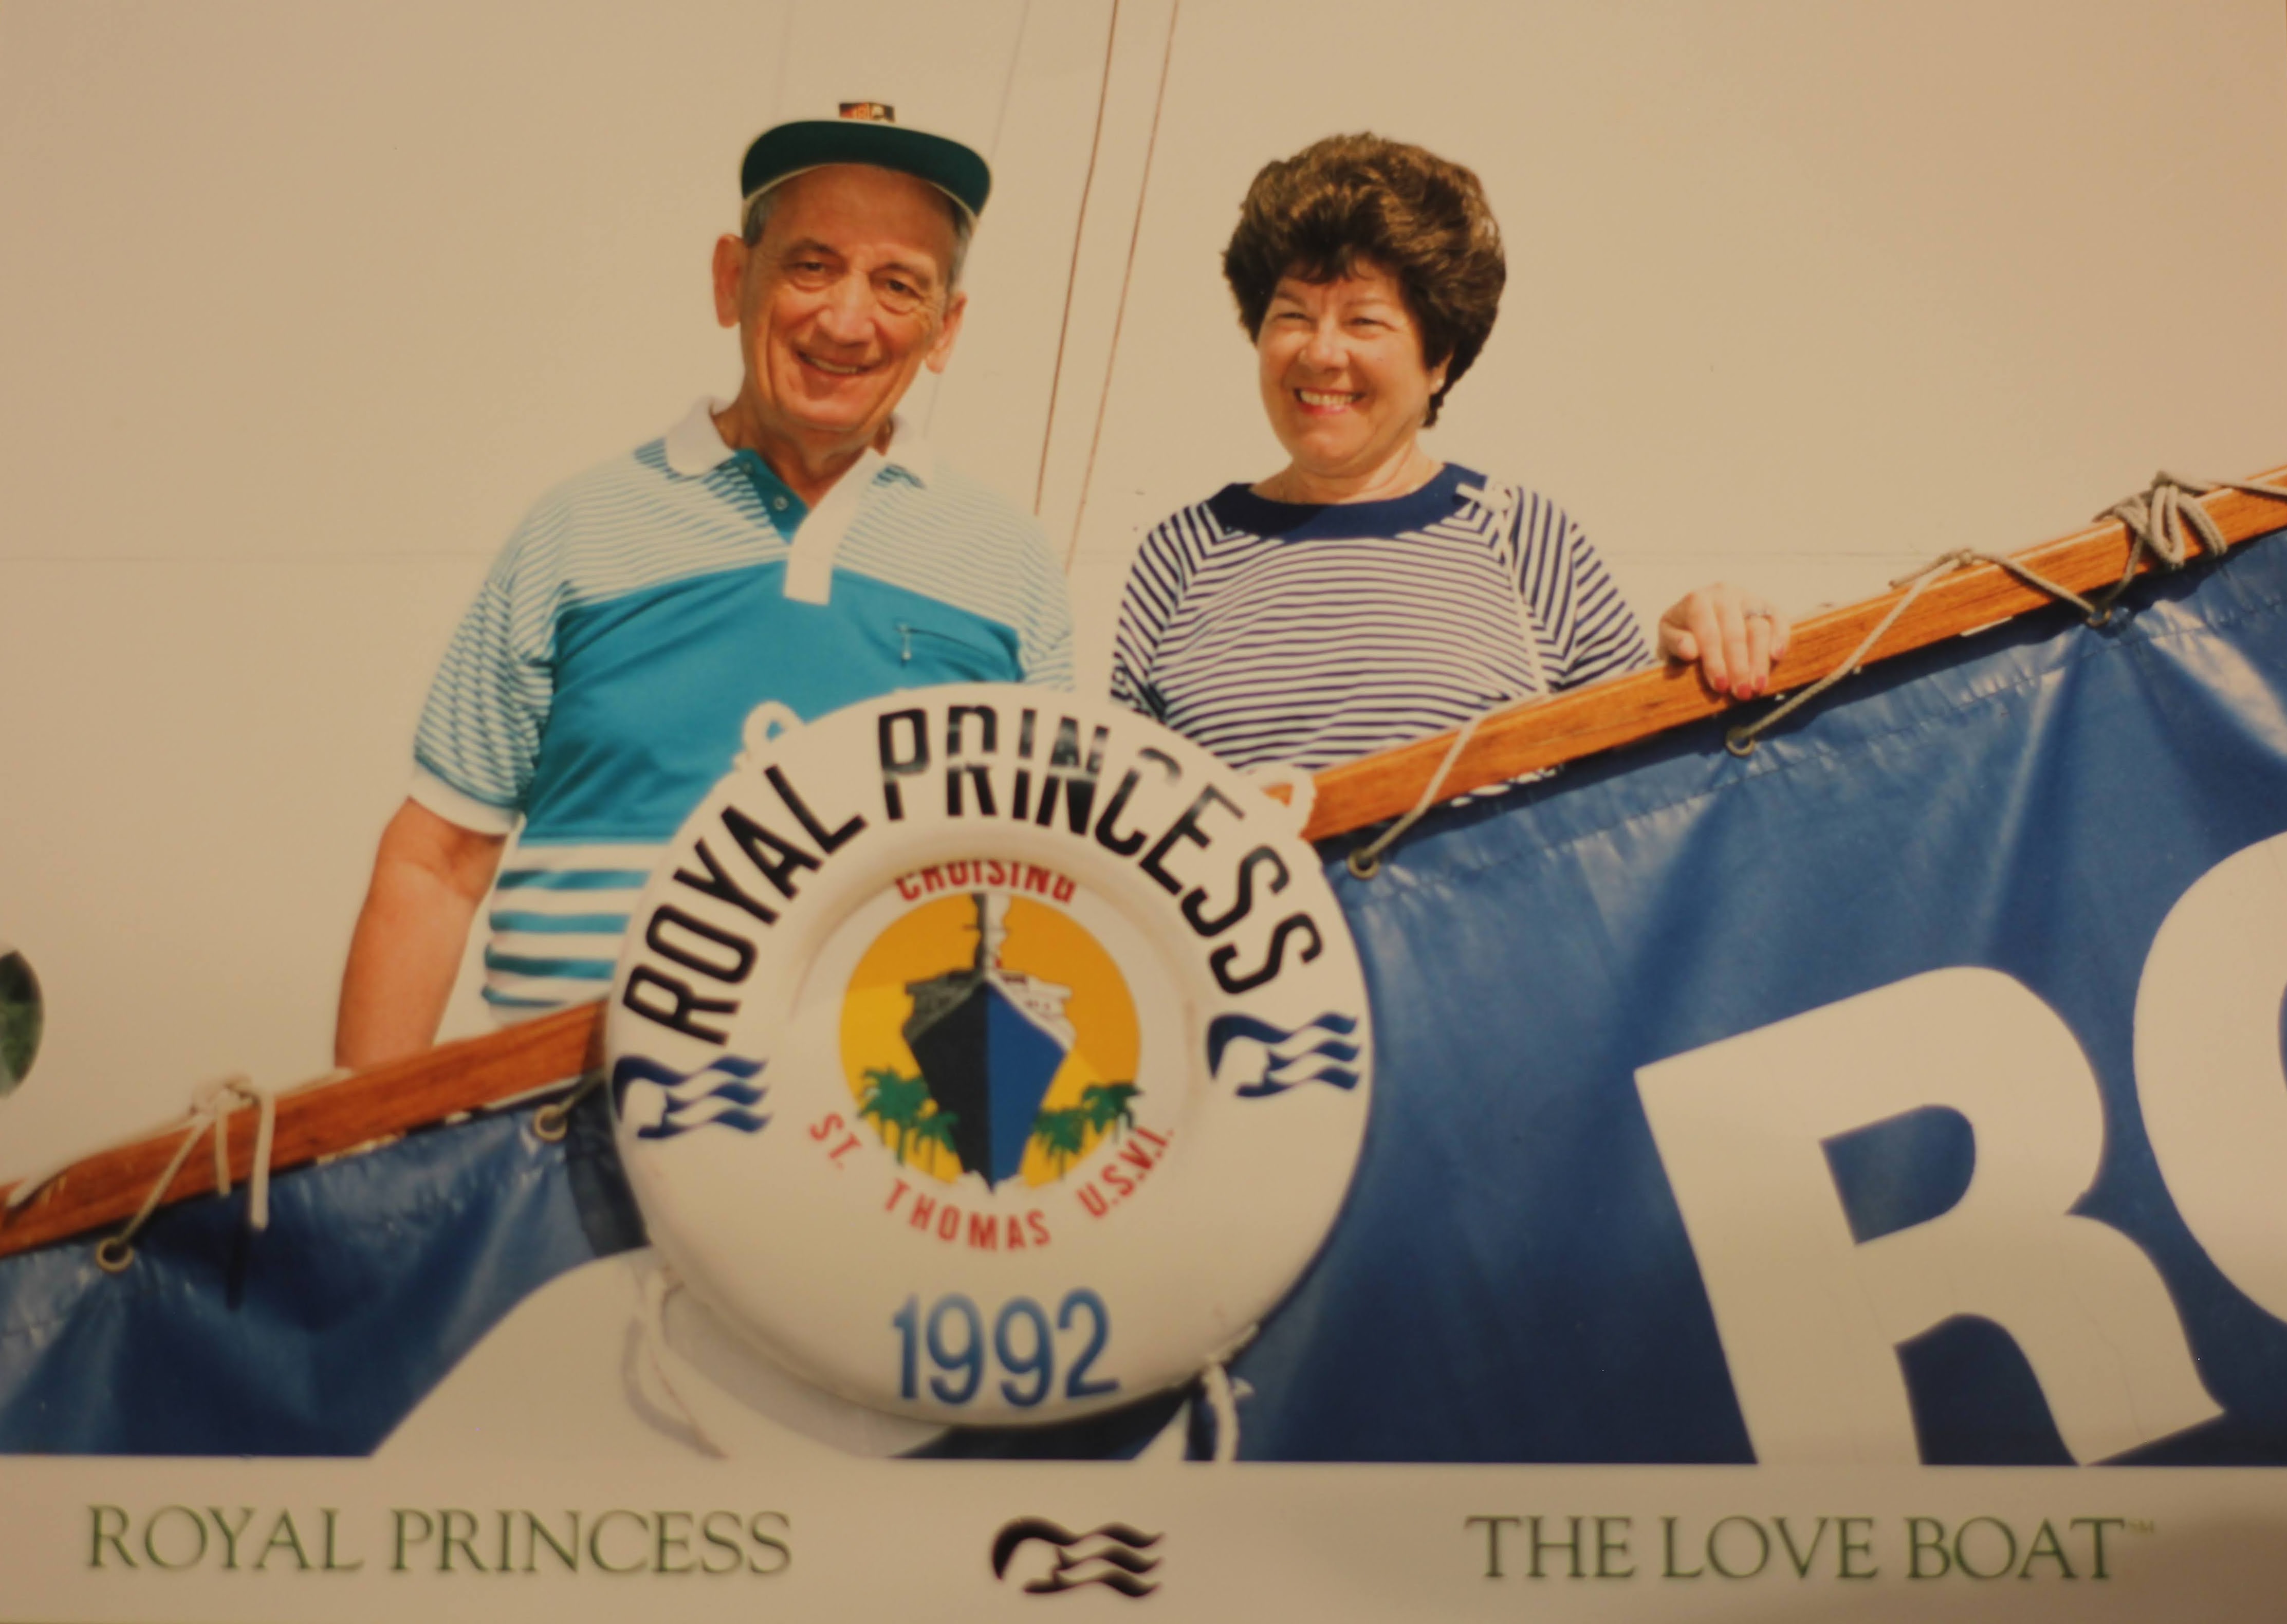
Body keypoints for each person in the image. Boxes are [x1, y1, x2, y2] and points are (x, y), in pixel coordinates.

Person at [337, 106, 1072, 1067]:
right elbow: (438, 861)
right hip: (566, 1155)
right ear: (734, 279)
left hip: (877, 1165)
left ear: (946, 328)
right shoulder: (577, 528)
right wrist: (350, 1160)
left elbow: (1053, 882)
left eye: (899, 285)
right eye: (811, 265)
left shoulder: (1008, 565)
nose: (846, 320)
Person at [1110, 133, 1785, 774]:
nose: (1319, 353)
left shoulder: (1527, 540)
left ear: (1439, 358)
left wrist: (1700, 659)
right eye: (1291, 315)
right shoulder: (1179, 553)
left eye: (1363, 320)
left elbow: (1634, 806)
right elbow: (1114, 834)